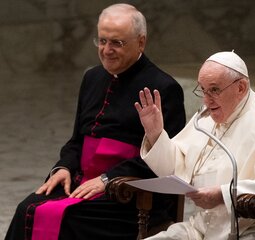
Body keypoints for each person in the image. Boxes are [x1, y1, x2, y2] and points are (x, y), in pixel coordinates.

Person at [5, 3, 186, 240]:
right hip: (83, 182)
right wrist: (64, 166)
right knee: (26, 209)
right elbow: (77, 139)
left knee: (67, 219)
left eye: (116, 43)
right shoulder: (92, 77)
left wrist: (108, 179)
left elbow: (168, 159)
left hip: (130, 194)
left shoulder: (164, 87)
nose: (106, 50)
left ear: (140, 42)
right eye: (102, 41)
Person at [134, 51, 255, 239]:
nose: (206, 100)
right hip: (204, 227)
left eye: (214, 90)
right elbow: (175, 167)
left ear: (241, 87)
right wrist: (155, 133)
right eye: (203, 89)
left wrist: (224, 194)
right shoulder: (206, 117)